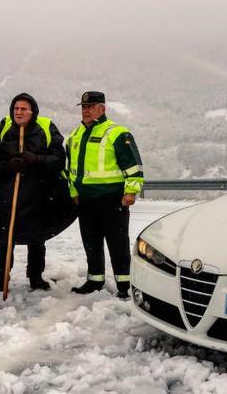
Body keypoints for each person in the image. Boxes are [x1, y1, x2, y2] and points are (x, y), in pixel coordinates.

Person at [66, 91, 144, 299]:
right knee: (91, 244)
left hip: (112, 199)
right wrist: (74, 192)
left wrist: (131, 191)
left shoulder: (117, 133)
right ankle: (95, 280)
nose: (86, 110)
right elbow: (70, 169)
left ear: (102, 108)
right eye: (83, 107)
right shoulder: (75, 135)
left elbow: (133, 166)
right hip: (86, 201)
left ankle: (125, 286)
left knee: (117, 245)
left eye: (91, 106)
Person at [0, 93, 68, 292]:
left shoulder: (47, 127)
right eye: (16, 108)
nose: (19, 112)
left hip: (38, 193)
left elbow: (58, 160)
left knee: (36, 237)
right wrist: (8, 166)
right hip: (9, 194)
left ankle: (35, 276)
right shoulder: (5, 127)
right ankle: (2, 278)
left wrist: (36, 159)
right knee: (6, 239)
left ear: (33, 111)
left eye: (24, 108)